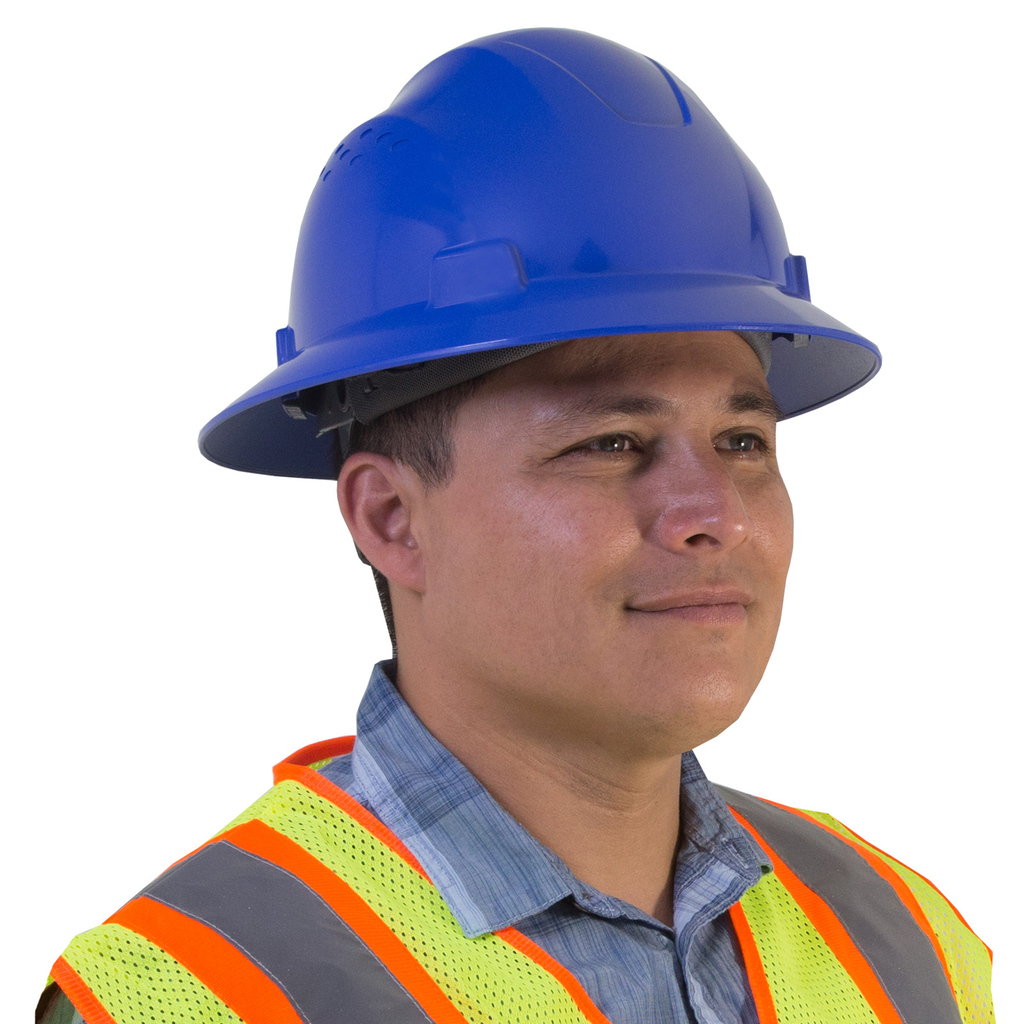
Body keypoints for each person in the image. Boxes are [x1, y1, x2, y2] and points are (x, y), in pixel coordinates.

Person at [38, 27, 995, 1024]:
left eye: (742, 441)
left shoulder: (907, 949)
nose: (712, 514)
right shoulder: (196, 997)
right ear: (391, 517)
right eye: (614, 443)